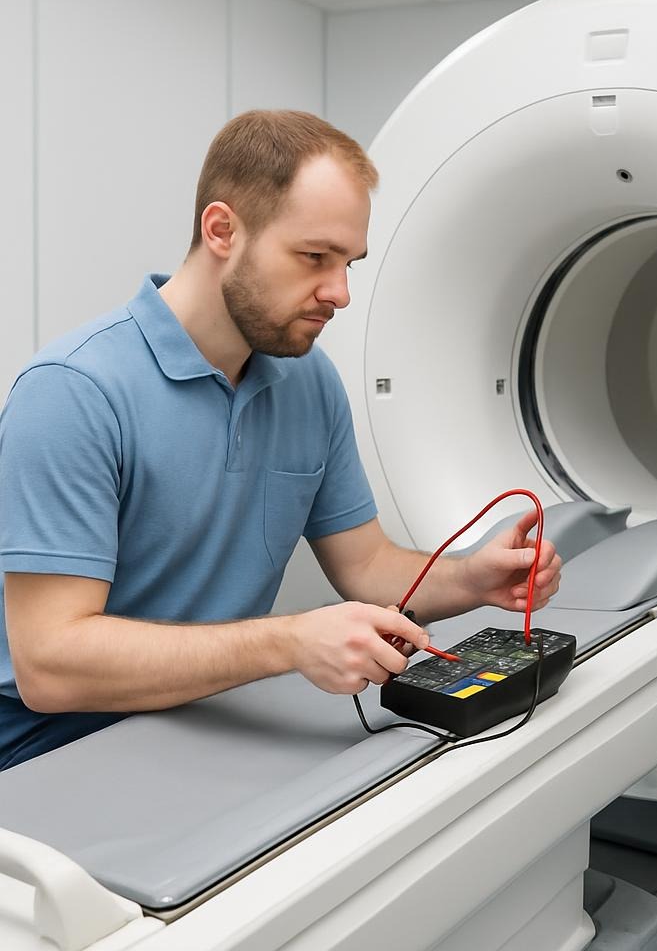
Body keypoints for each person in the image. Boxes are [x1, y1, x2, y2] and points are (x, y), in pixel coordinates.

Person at [0, 110, 561, 771]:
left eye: (348, 263)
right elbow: (50, 667)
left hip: (207, 716)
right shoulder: (73, 392)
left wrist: (470, 577)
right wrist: (290, 642)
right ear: (222, 230)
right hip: (48, 750)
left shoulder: (308, 381)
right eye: (314, 257)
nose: (340, 293)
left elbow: (366, 567)